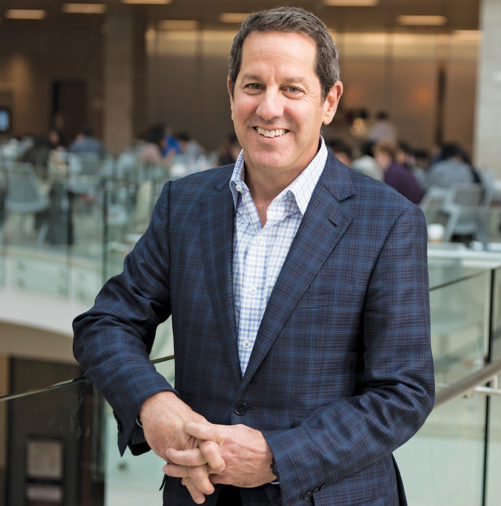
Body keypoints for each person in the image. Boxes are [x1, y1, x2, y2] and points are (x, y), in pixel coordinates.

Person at [72, 7, 434, 506]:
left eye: (292, 89)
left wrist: (276, 457)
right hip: (200, 493)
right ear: (230, 93)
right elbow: (107, 322)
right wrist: (152, 403)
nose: (268, 108)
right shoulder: (185, 203)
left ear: (329, 101)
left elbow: (403, 394)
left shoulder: (389, 221)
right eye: (253, 86)